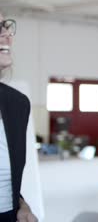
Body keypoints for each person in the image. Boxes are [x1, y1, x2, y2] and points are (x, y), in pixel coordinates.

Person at [0, 14, 38, 222]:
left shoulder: (18, 104)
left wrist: (22, 206)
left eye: (6, 26)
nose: (6, 34)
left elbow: (7, 184)